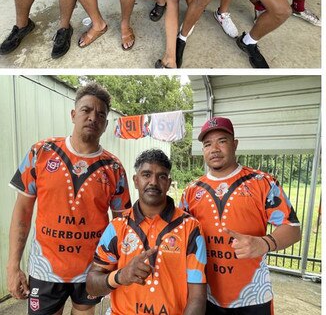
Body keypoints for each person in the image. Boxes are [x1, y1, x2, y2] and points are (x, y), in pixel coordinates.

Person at [7, 82, 131, 315]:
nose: (93, 117)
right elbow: (22, 211)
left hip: (93, 269)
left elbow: (122, 224)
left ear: (105, 124)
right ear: (73, 115)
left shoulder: (113, 168)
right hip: (45, 267)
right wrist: (13, 266)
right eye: (86, 110)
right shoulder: (40, 152)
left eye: (101, 114)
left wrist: (116, 270)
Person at [180, 116, 301, 314]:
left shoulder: (262, 182)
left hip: (253, 295)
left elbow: (293, 229)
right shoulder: (191, 191)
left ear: (235, 144)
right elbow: (181, 237)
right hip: (204, 294)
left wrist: (263, 243)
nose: (215, 149)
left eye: (222, 141)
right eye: (208, 144)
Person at [87, 149, 207, 315]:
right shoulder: (118, 226)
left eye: (161, 176)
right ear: (136, 181)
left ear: (168, 182)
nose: (153, 182)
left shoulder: (190, 227)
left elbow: (197, 297)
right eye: (146, 174)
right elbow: (91, 284)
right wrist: (120, 276)